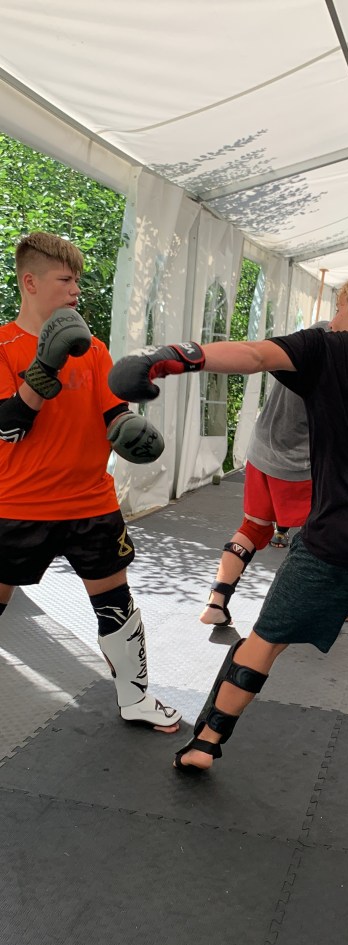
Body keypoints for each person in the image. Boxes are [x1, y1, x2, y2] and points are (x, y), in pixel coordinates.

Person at [109, 271, 348, 797]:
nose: (333, 318)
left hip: (330, 542)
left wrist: (174, 356)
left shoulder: (325, 347)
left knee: (264, 642)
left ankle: (205, 744)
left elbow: (254, 355)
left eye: (338, 308)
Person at [0, 232, 181, 732]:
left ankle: (136, 699)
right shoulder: (2, 346)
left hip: (91, 503)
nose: (76, 289)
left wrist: (130, 430)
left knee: (117, 606)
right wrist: (46, 364)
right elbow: (8, 426)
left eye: (78, 280)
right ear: (30, 282)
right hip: (17, 505)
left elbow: (111, 411)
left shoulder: (95, 349)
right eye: (65, 279)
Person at [199, 323, 329, 627]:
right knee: (327, 534)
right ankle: (330, 605)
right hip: (296, 461)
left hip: (261, 451)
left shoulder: (304, 341)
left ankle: (216, 601)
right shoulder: (336, 348)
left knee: (254, 528)